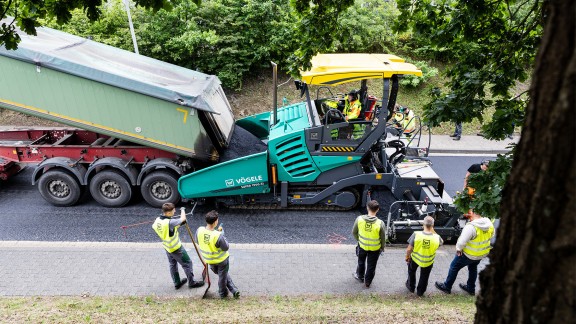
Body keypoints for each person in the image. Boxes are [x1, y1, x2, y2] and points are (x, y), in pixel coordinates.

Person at [435, 209, 494, 295]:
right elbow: (492, 235)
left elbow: (462, 242)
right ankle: (471, 288)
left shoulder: (471, 227)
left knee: (454, 267)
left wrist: (458, 249)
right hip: (481, 254)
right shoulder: (489, 224)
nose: (467, 214)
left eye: (469, 212)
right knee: (473, 268)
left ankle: (447, 287)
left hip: (468, 254)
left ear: (473, 213)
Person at [152, 203, 205, 290]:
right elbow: (183, 218)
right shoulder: (170, 222)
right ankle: (192, 283)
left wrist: (175, 226)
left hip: (167, 247)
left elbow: (166, 228)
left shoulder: (158, 220)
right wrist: (183, 209)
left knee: (172, 264)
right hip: (176, 248)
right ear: (168, 213)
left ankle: (177, 283)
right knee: (188, 263)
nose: (175, 211)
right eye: (173, 211)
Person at [196, 210, 240, 299]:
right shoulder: (217, 235)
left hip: (209, 260)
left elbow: (198, 241)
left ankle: (233, 289)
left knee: (222, 274)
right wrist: (222, 235)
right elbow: (226, 247)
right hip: (222, 260)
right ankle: (223, 293)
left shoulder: (199, 230)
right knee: (222, 277)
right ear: (216, 222)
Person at [405, 216, 443, 297]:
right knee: (424, 276)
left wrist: (407, 257)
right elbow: (441, 243)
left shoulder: (416, 234)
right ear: (432, 226)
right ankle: (420, 292)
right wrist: (433, 231)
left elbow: (409, 249)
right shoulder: (437, 237)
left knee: (411, 271)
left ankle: (411, 287)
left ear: (423, 224)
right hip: (428, 261)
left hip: (415, 259)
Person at [352, 200, 386, 288]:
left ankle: (360, 276)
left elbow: (354, 232)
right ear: (377, 210)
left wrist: (359, 240)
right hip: (375, 249)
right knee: (371, 266)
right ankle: (367, 283)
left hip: (362, 246)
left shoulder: (359, 219)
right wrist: (382, 247)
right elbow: (383, 238)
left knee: (361, 262)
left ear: (367, 207)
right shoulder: (380, 223)